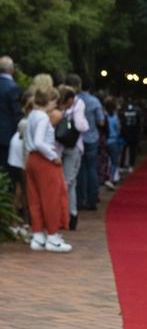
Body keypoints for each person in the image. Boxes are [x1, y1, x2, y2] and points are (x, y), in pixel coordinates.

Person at [23, 87, 72, 253]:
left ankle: (38, 235)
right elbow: (39, 142)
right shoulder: (43, 117)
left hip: (32, 159)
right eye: (55, 101)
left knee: (35, 199)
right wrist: (53, 155)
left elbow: (32, 141)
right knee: (51, 198)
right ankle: (52, 236)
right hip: (44, 161)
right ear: (50, 101)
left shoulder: (32, 115)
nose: (56, 105)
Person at [65, 74, 104, 210]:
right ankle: (92, 199)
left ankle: (80, 199)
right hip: (91, 137)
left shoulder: (72, 100)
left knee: (79, 170)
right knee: (92, 168)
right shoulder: (94, 101)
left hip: (75, 139)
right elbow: (101, 120)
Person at [57, 85, 89, 229]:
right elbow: (81, 125)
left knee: (68, 181)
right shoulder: (79, 105)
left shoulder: (58, 106)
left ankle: (68, 213)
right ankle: (69, 213)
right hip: (73, 145)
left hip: (59, 145)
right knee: (69, 181)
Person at [0, 55, 23, 173]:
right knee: (8, 171)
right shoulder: (13, 88)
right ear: (12, 69)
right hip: (7, 135)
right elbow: (17, 112)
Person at [103, 97, 123, 189]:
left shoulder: (104, 116)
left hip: (105, 141)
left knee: (106, 161)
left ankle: (106, 177)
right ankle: (111, 178)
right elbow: (118, 129)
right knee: (114, 161)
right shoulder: (115, 117)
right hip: (114, 141)